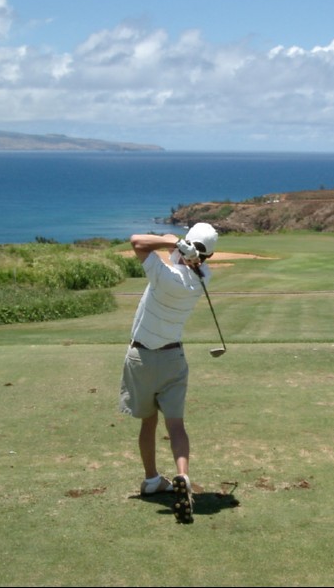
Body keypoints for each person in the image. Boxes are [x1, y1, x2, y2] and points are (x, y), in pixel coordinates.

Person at [118, 222, 219, 524]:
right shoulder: (203, 278)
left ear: (188, 243)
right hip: (174, 358)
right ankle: (182, 476)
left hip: (142, 358)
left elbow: (136, 241)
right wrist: (183, 249)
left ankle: (151, 480)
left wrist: (169, 240)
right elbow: (196, 265)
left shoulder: (163, 274)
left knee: (148, 422)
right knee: (175, 425)